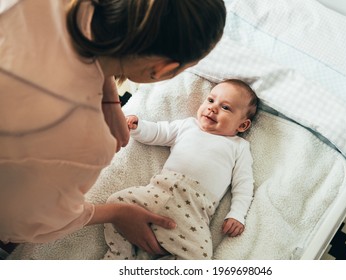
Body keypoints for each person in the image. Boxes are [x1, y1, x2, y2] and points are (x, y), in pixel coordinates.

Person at [0, 0, 226, 256]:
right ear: (164, 69)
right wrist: (116, 212)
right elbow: (24, 224)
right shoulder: (87, 144)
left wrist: (109, 97)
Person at [103, 79, 260, 260]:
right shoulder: (187, 126)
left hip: (192, 212)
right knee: (115, 204)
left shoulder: (239, 147)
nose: (213, 108)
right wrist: (138, 126)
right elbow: (158, 132)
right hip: (156, 193)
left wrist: (237, 214)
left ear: (242, 125)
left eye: (225, 108)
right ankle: (119, 255)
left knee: (199, 258)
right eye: (210, 100)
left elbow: (244, 184)